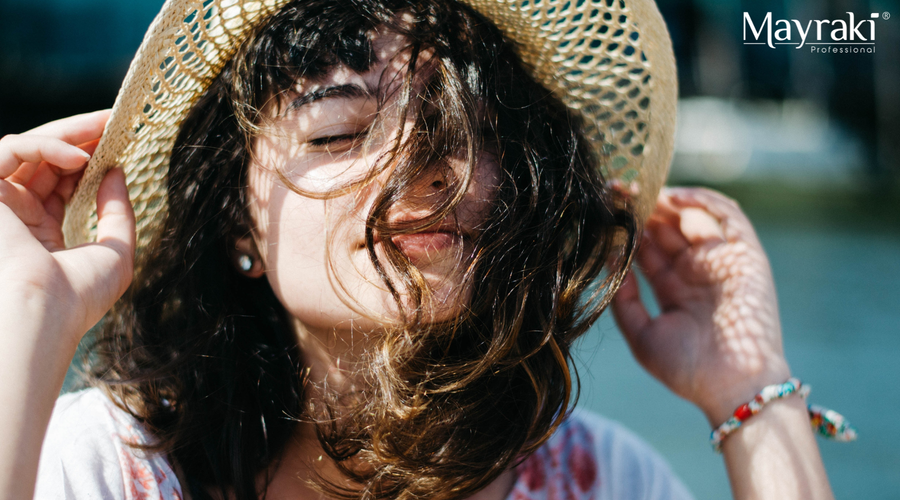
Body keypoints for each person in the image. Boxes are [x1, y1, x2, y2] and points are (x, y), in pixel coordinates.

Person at [0, 0, 839, 499]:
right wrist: (26, 320)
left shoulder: (605, 480)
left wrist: (750, 388)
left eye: (469, 131)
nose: (424, 165)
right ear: (237, 224)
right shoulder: (105, 466)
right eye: (339, 131)